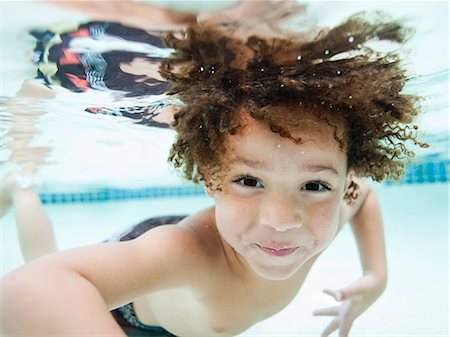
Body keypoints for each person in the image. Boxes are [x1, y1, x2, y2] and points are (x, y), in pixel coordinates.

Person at [1, 11, 428, 337]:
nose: (281, 220)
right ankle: (21, 185)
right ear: (210, 177)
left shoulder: (333, 205)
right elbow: (27, 289)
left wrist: (376, 277)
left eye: (315, 185)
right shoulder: (186, 255)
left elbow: (364, 194)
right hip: (137, 306)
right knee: (45, 262)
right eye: (249, 180)